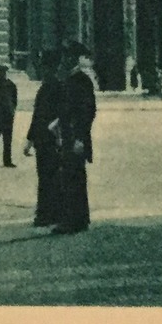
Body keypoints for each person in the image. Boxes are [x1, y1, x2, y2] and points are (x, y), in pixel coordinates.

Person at [53, 40, 98, 235]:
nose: (65, 59)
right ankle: (79, 218)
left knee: (72, 178)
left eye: (68, 56)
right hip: (68, 136)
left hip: (75, 138)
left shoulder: (81, 80)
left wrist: (80, 137)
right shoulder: (71, 79)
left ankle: (73, 220)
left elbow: (88, 111)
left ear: (74, 58)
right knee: (73, 177)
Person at [23, 50, 63, 228]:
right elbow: (37, 116)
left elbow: (60, 115)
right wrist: (30, 139)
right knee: (45, 177)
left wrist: (59, 138)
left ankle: (49, 214)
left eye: (44, 66)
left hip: (51, 140)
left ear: (51, 67)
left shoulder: (55, 87)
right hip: (42, 140)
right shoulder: (46, 86)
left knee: (50, 178)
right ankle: (47, 213)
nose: (42, 69)